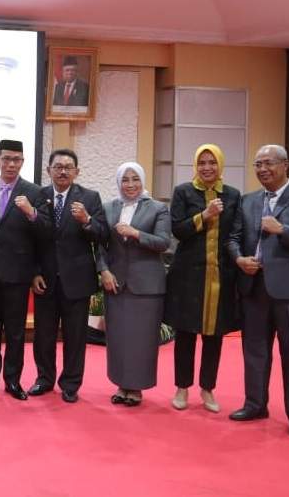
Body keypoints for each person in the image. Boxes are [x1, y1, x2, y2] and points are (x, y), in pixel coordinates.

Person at [228, 145, 289, 439]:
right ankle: (255, 404)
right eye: (258, 164)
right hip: (254, 287)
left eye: (268, 163)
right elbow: (233, 238)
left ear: (286, 165)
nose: (262, 169)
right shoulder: (248, 201)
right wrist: (239, 259)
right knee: (254, 351)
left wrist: (283, 229)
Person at [165, 144, 241, 413]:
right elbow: (177, 230)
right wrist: (204, 215)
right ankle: (182, 387)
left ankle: (207, 388)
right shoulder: (184, 192)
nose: (207, 167)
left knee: (214, 335)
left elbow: (235, 234)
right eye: (202, 162)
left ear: (220, 165)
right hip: (188, 274)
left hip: (220, 274)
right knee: (185, 333)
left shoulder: (232, 195)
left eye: (212, 162)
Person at [29, 149, 107, 403]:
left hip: (77, 279)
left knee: (75, 337)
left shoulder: (90, 197)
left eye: (68, 167)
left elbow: (102, 234)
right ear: (49, 170)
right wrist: (34, 272)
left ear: (77, 171)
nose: (63, 171)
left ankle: (71, 384)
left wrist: (86, 220)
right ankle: (44, 379)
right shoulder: (37, 196)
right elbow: (30, 239)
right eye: (58, 167)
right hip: (45, 279)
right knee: (43, 335)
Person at [0, 139, 44, 401]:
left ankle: (13, 380)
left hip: (18, 273)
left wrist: (32, 213)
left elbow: (44, 236)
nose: (11, 164)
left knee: (15, 331)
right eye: (6, 159)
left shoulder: (35, 192)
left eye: (16, 159)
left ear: (23, 162)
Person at [97, 162, 171, 407]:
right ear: (119, 182)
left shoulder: (158, 208)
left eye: (135, 179)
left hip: (147, 286)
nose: (130, 184)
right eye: (125, 180)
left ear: (142, 180)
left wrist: (136, 233)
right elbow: (100, 244)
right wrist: (104, 270)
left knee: (142, 340)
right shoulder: (108, 207)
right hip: (115, 283)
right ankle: (121, 384)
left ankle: (136, 387)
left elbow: (163, 242)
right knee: (118, 339)